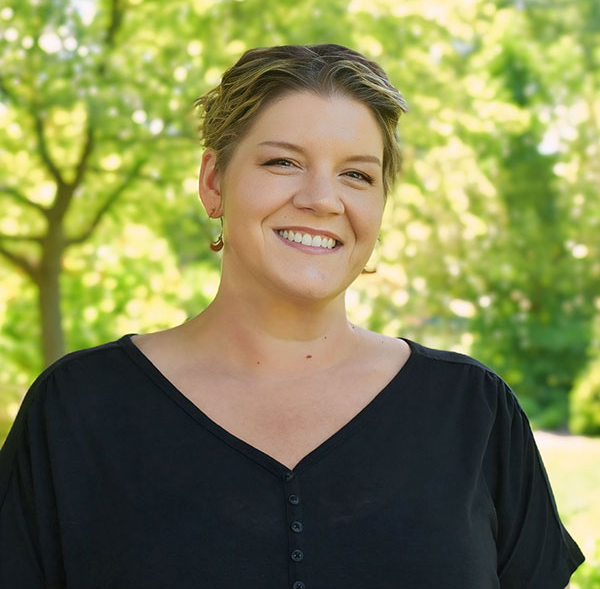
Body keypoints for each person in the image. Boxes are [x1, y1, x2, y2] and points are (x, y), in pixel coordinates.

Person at [0, 44, 585, 588]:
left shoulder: (475, 411)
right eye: (283, 162)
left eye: (357, 174)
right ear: (213, 183)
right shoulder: (77, 408)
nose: (323, 199)